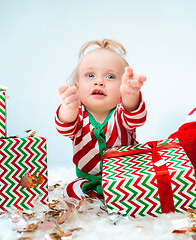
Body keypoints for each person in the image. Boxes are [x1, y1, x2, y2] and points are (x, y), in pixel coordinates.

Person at [55, 39, 147, 199]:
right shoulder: (77, 115)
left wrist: (131, 96)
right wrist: (68, 106)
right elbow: (64, 127)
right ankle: (94, 202)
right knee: (70, 192)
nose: (99, 82)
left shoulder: (122, 114)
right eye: (90, 75)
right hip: (87, 179)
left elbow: (136, 118)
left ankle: (118, 199)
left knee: (140, 191)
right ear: (77, 87)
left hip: (124, 178)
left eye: (110, 76)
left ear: (122, 88)